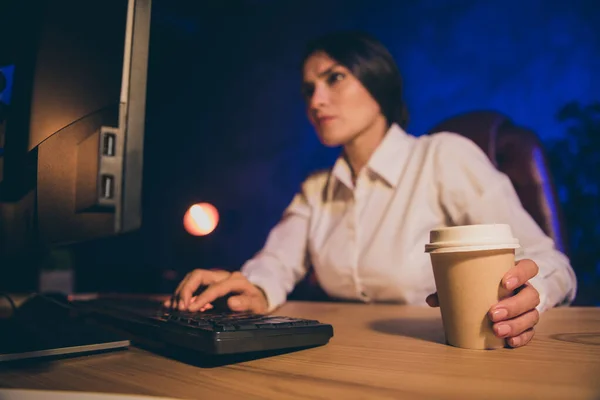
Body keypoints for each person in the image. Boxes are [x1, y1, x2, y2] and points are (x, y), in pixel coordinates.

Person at [166, 31, 577, 348]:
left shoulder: (443, 156)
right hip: (343, 352)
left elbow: (547, 260)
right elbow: (276, 261)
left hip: (438, 354)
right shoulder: (317, 188)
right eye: (309, 89)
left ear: (377, 83)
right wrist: (250, 287)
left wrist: (532, 298)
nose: (316, 100)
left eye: (334, 78)